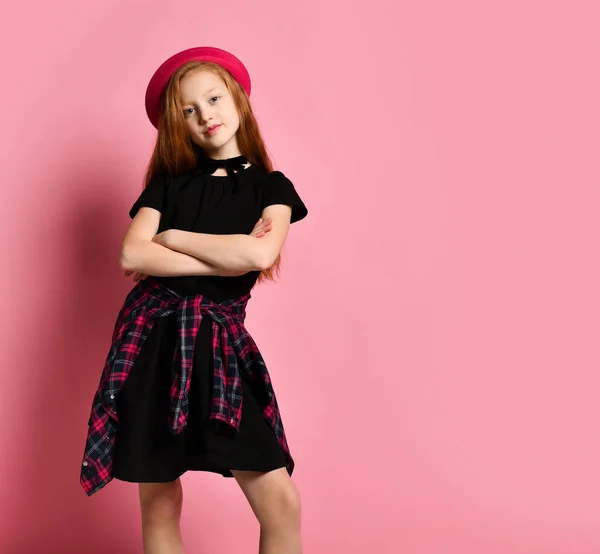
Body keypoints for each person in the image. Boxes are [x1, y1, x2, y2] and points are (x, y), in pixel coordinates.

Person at [79, 46, 308, 554]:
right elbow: (129, 254)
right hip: (155, 345)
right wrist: (227, 255)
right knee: (159, 500)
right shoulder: (166, 187)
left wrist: (174, 238)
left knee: (281, 501)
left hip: (222, 350)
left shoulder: (271, 187)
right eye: (189, 109)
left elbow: (258, 252)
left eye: (213, 98)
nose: (206, 114)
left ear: (237, 101)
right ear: (176, 124)